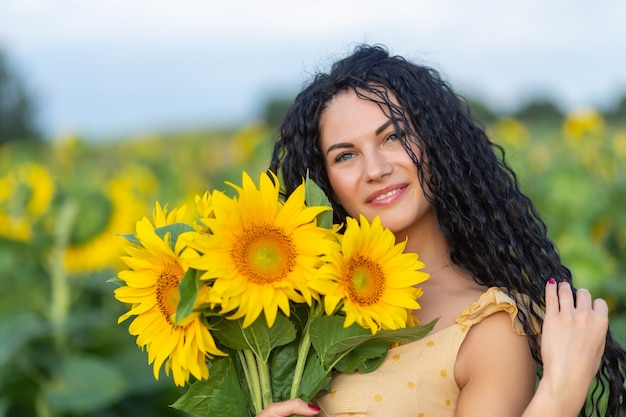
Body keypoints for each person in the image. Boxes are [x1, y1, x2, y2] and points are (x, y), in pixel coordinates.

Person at [258, 44, 626, 417]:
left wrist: (560, 394)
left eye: (394, 136)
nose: (375, 169)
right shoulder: (301, 306)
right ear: (325, 180)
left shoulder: (489, 326)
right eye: (345, 155)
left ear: (437, 143)